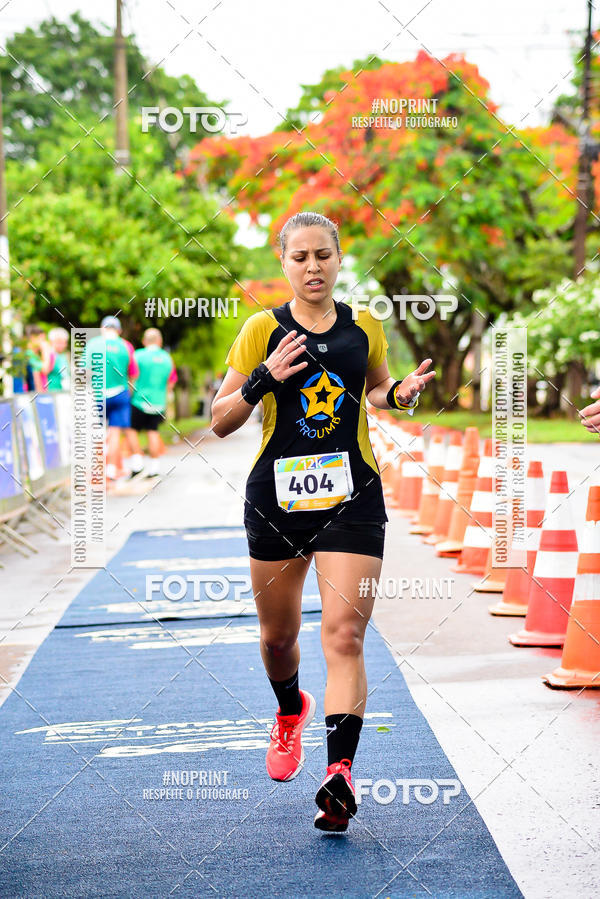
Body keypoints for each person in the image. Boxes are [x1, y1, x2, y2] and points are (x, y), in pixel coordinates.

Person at [210, 211, 435, 832]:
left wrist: (401, 394)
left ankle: (339, 775)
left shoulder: (365, 326)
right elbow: (219, 420)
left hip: (352, 496)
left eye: (323, 255)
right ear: (283, 262)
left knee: (343, 635)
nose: (313, 266)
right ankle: (290, 710)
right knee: (278, 639)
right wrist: (263, 379)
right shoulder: (261, 329)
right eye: (300, 256)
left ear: (339, 258)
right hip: (276, 503)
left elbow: (376, 390)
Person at [84, 316, 140, 481]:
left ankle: (98, 470)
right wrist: (129, 390)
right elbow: (133, 373)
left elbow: (85, 370)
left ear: (102, 329)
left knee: (98, 433)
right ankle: (110, 469)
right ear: (119, 330)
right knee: (115, 432)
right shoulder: (126, 346)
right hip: (120, 392)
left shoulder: (93, 344)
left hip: (98, 394)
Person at [127, 328, 177, 478]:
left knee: (131, 430)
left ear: (144, 341)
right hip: (158, 403)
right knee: (153, 432)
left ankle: (137, 464)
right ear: (160, 341)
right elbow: (171, 382)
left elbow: (132, 376)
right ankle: (154, 468)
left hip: (138, 400)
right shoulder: (167, 358)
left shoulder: (138, 355)